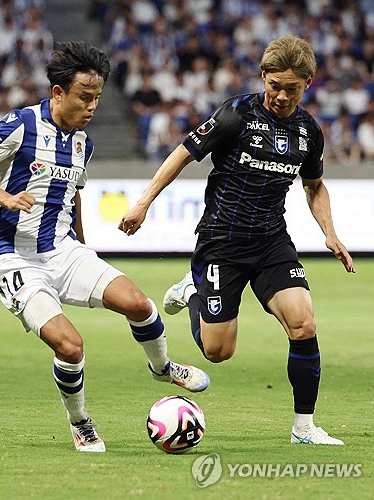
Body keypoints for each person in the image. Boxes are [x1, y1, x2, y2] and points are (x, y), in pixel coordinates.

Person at [0, 41, 209, 453]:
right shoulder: (21, 124)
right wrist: (6, 199)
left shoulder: (82, 143)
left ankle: (162, 368)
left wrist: (85, 250)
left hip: (65, 252)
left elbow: (74, 195)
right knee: (70, 346)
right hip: (16, 258)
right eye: (84, 97)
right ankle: (80, 423)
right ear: (58, 93)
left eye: (97, 98)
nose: (92, 107)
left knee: (139, 304)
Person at [119, 35, 355, 445]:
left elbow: (314, 187)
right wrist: (143, 203)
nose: (281, 96)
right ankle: (193, 290)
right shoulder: (235, 115)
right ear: (263, 76)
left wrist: (330, 234)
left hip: (270, 242)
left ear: (309, 84)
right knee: (217, 352)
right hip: (222, 242)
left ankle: (304, 428)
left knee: (303, 324)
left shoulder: (308, 131)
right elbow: (182, 153)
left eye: (291, 88)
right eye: (274, 85)